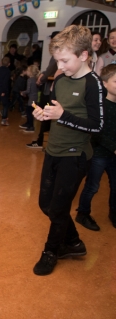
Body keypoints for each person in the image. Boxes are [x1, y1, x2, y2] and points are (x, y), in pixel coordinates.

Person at [31, 25, 104, 276]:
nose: (59, 67)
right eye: (57, 60)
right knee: (46, 205)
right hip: (53, 150)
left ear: (83, 55)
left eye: (64, 60)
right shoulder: (60, 80)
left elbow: (98, 126)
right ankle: (73, 242)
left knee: (58, 208)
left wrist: (64, 116)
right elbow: (55, 110)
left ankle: (52, 251)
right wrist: (45, 114)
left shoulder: (93, 84)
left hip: (76, 156)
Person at [75, 64, 116, 231]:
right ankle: (83, 213)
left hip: (114, 155)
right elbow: (97, 132)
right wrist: (113, 147)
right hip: (99, 153)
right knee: (92, 186)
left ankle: (114, 213)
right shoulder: (100, 106)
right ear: (105, 84)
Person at [19, 65, 40, 133]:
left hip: (31, 98)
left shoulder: (29, 80)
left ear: (30, 72)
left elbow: (28, 90)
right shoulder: (36, 79)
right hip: (35, 97)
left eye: (28, 70)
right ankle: (28, 124)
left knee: (29, 112)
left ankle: (31, 126)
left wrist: (22, 92)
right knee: (30, 111)